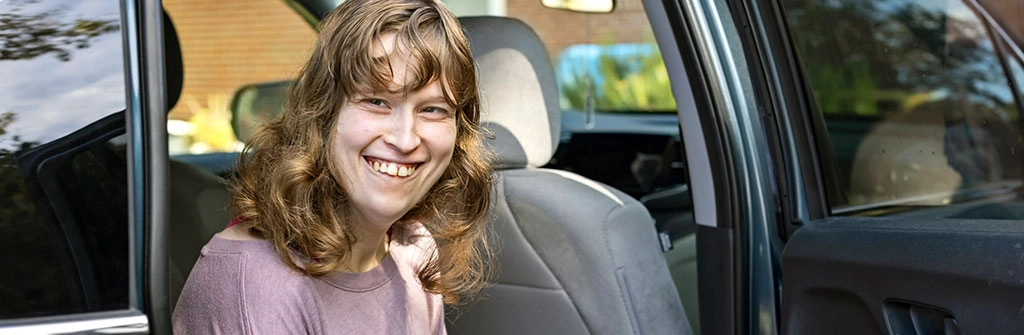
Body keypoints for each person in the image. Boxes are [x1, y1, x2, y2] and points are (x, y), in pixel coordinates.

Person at [172, 0, 493, 333]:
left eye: (433, 109)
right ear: (322, 114)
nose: (405, 139)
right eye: (376, 101)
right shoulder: (256, 286)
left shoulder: (415, 247)